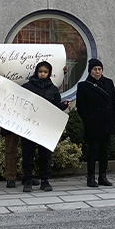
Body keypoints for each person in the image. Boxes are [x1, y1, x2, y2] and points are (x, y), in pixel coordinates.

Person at [20, 61, 70, 192]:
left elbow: (55, 106)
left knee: (45, 154)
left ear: (49, 73)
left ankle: (45, 181)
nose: (42, 74)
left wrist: (64, 105)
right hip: (29, 126)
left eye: (45, 72)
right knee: (28, 154)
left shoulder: (53, 89)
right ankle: (28, 180)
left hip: (46, 127)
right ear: (36, 72)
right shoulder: (27, 87)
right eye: (40, 71)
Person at [76, 58, 115, 188]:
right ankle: (90, 177)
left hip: (107, 123)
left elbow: (114, 102)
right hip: (93, 124)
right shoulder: (84, 86)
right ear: (90, 71)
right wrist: (88, 120)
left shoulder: (108, 83)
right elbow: (80, 106)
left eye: (99, 69)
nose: (97, 72)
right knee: (93, 151)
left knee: (104, 151)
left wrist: (114, 116)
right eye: (95, 69)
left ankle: (103, 176)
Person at [0, 70, 21, 188]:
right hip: (9, 118)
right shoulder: (1, 81)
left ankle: (28, 176)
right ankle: (11, 177)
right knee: (10, 149)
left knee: (28, 151)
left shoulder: (30, 81)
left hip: (25, 117)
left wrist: (60, 74)